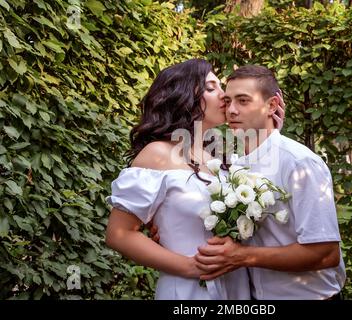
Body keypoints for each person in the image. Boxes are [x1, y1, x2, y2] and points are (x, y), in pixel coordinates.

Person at [105, 59, 284, 300]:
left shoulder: (218, 156)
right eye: (211, 88)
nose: (224, 97)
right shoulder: (157, 154)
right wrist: (191, 267)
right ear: (183, 97)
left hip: (236, 288)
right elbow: (120, 233)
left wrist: (268, 129)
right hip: (190, 290)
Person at [194, 65, 346, 300]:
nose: (232, 111)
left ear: (272, 105)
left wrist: (242, 256)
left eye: (243, 101)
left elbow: (326, 253)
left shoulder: (299, 163)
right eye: (228, 101)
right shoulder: (233, 166)